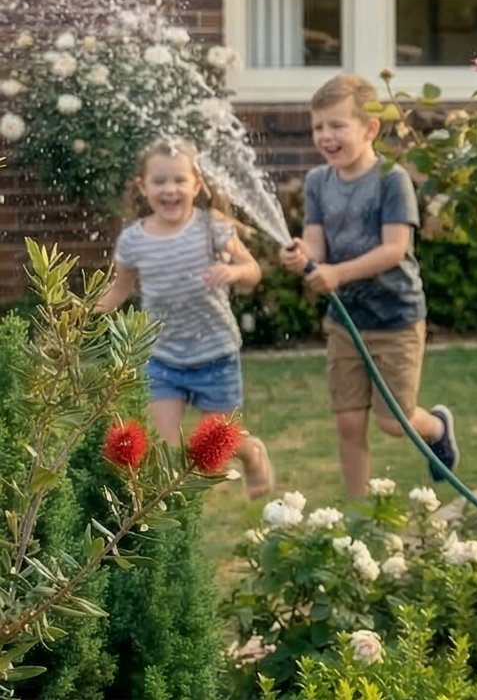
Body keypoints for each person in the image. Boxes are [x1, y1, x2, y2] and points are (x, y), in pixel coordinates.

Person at [278, 72, 458, 497]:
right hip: (345, 319)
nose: (326, 135)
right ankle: (358, 507)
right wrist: (302, 257)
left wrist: (336, 274)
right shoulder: (318, 182)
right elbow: (318, 248)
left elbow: (395, 249)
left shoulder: (391, 180)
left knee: (394, 422)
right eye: (318, 126)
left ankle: (435, 427)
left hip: (395, 316)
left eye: (337, 125)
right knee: (348, 419)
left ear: (370, 128)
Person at [98, 138, 275, 497]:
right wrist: (83, 314)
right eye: (160, 181)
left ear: (197, 184)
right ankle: (167, 513)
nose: (170, 189)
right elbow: (118, 290)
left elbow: (252, 269)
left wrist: (234, 273)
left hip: (215, 355)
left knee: (221, 442)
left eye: (179, 180)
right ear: (142, 187)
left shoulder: (212, 228)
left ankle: (252, 453)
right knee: (163, 449)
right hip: (163, 358)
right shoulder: (133, 240)